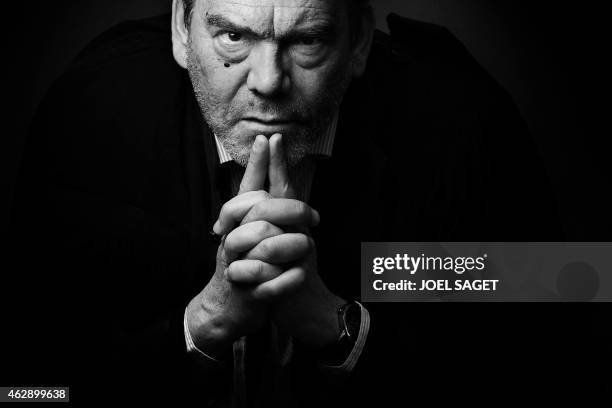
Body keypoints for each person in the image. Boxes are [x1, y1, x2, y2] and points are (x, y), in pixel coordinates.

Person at [8, 0, 562, 406]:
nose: (269, 83)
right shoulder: (90, 120)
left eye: (308, 40)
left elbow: (564, 292)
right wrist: (204, 324)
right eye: (232, 37)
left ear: (359, 41)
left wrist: (341, 326)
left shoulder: (460, 125)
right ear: (182, 30)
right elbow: (30, 391)